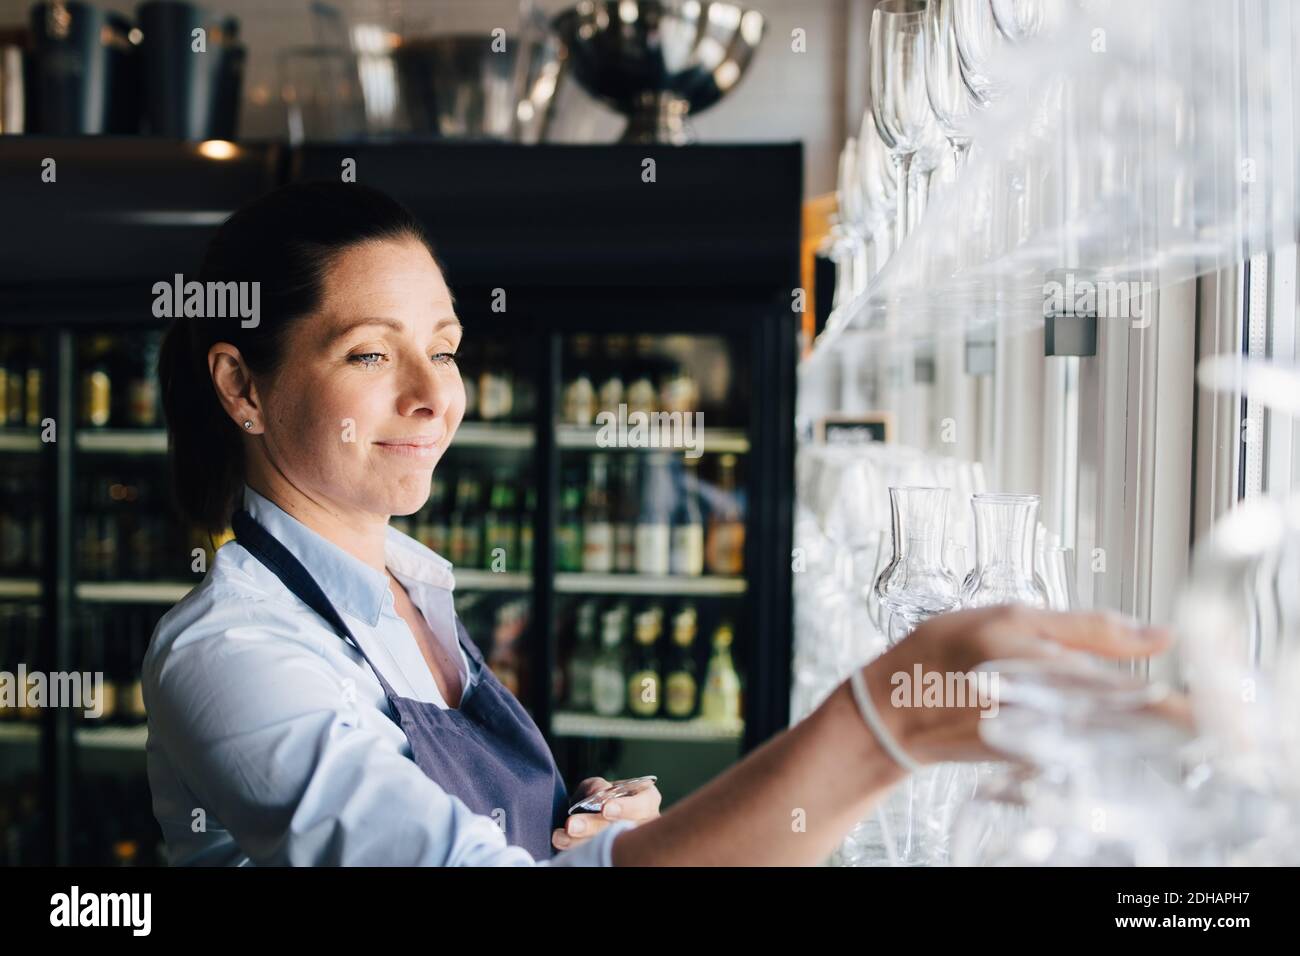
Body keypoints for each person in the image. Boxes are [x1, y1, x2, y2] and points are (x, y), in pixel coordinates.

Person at [144, 181, 1174, 866]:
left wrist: (590, 827)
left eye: (445, 348)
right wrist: (881, 725)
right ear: (241, 383)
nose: (433, 396)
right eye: (371, 353)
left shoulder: (412, 585)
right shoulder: (233, 653)